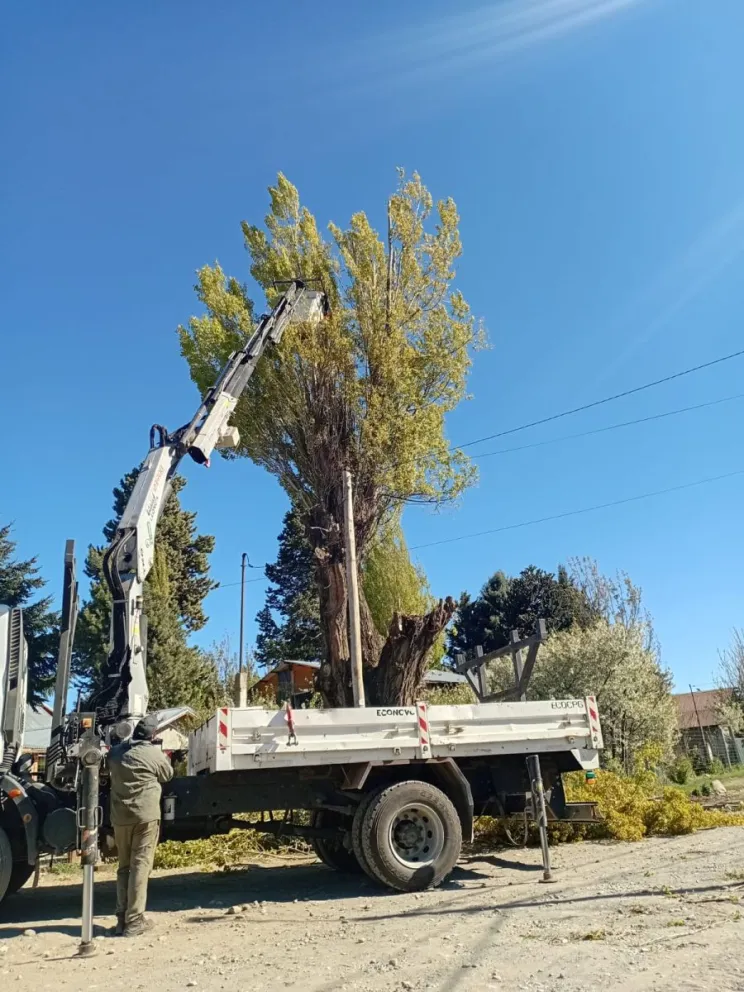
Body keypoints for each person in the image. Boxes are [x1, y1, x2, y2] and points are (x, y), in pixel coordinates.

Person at [108, 714, 173, 937]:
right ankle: (134, 920)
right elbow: (167, 774)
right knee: (140, 866)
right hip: (145, 817)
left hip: (120, 818)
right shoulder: (153, 753)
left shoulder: (115, 753)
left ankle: (121, 918)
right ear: (153, 734)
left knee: (124, 866)